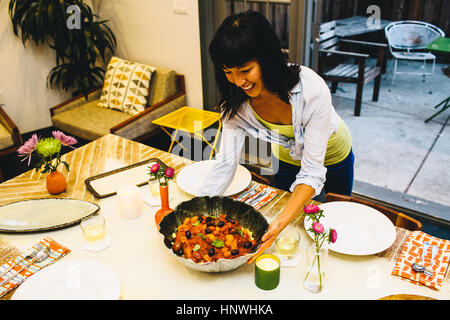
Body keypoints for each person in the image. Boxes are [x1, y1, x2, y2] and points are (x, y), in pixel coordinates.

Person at [198, 11, 354, 263]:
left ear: (267, 59)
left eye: (245, 70)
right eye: (228, 71)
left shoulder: (311, 90)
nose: (237, 81)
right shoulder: (235, 103)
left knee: (333, 230)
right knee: (286, 230)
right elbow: (225, 164)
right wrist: (197, 209)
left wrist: (279, 223)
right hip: (287, 159)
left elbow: (313, 173)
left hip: (335, 157)